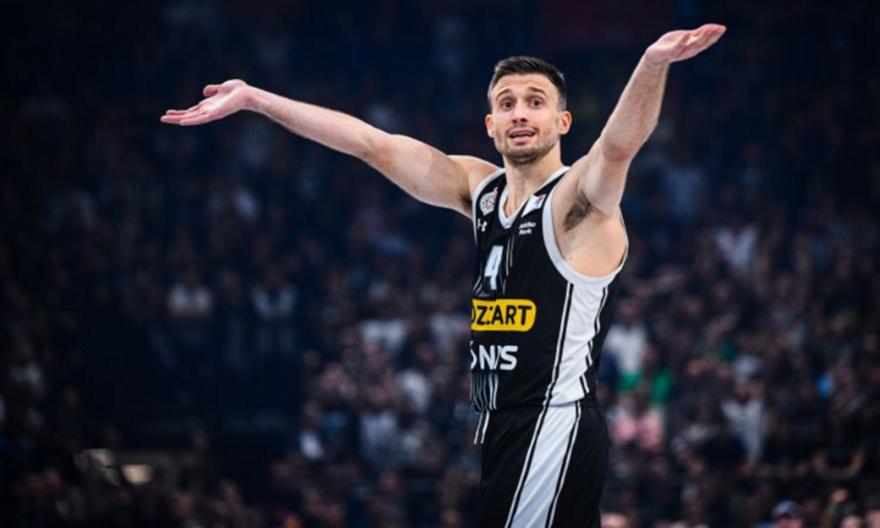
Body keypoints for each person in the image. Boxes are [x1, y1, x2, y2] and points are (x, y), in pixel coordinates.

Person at [161, 23, 725, 527]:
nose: (520, 113)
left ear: (562, 121)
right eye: (507, 103)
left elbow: (618, 148)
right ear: (490, 125)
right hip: (502, 428)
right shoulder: (481, 191)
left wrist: (651, 64)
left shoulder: (577, 201)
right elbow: (373, 145)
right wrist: (256, 99)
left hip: (553, 426)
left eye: (535, 102)